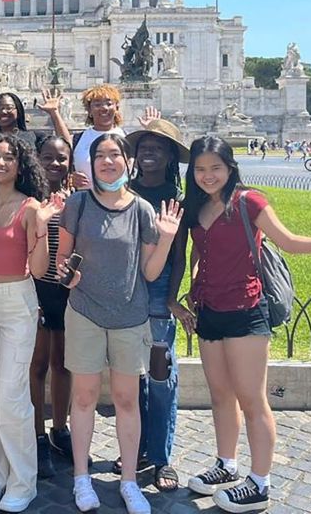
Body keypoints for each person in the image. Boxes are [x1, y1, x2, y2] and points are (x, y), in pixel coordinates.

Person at [182, 136, 311, 512]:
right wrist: (193, 285)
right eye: (200, 169)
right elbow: (197, 251)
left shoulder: (249, 201)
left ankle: (260, 482)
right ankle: (226, 464)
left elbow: (286, 240)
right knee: (220, 395)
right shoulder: (196, 206)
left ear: (230, 168)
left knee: (252, 399)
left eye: (215, 168)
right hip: (210, 310)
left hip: (246, 309)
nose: (208, 176)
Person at [56, 132, 182, 514]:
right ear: (91, 164)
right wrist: (68, 275)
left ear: (127, 162)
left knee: (128, 400)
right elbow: (62, 260)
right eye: (101, 157)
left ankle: (129, 481)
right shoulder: (77, 204)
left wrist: (166, 239)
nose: (108, 162)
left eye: (115, 155)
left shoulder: (143, 209)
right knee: (83, 398)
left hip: (130, 316)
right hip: (84, 313)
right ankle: (82, 477)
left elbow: (149, 271)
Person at [0, 133, 62, 513]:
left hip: (17, 302)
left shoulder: (29, 208)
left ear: (19, 165)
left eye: (8, 158)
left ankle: (23, 480)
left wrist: (40, 227)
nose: (0, 163)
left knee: (12, 396)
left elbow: (40, 269)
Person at [125, 120, 191, 493]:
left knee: (160, 375)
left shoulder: (174, 198)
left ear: (169, 157)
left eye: (158, 147)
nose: (149, 152)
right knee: (131, 377)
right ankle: (139, 450)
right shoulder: (125, 191)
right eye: (144, 146)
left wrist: (171, 297)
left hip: (158, 290)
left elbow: (179, 256)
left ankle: (162, 456)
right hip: (127, 289)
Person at [29, 136, 75, 476]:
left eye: (62, 158)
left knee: (64, 363)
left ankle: (61, 428)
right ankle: (37, 434)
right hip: (37, 288)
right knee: (37, 365)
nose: (55, 164)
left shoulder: (79, 198)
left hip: (68, 292)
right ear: (37, 158)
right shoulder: (30, 198)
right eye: (49, 157)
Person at [69, 86, 159, 189]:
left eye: (109, 103)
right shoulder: (77, 139)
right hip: (86, 201)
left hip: (121, 200)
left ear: (117, 108)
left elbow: (148, 167)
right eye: (97, 104)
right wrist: (71, 178)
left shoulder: (128, 138)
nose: (104, 108)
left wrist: (152, 132)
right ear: (89, 110)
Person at [0, 91, 67, 152]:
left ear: (18, 110)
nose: (3, 111)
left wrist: (54, 113)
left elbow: (65, 146)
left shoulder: (35, 137)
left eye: (9, 107)